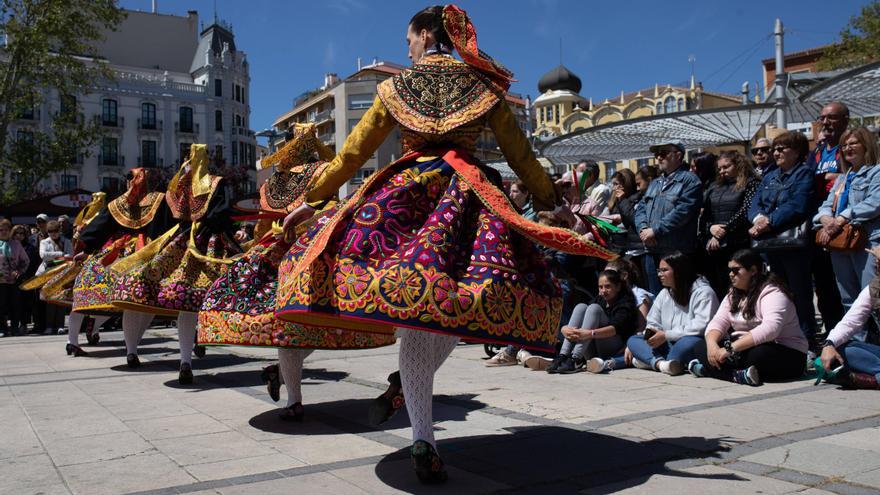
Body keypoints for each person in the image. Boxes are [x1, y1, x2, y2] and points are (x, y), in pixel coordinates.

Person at [275, 5, 615, 483]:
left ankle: (422, 435)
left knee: (419, 311)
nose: (407, 46)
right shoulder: (482, 87)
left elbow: (353, 153)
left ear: (424, 34)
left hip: (406, 199)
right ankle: (414, 412)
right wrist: (548, 200)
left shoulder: (395, 88)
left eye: (408, 38)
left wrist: (313, 198)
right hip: (467, 199)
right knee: (458, 303)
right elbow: (520, 154)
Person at [198, 124, 396, 420]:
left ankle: (290, 394)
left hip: (278, 252)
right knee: (313, 323)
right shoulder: (321, 170)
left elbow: (264, 227)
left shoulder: (273, 181)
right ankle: (289, 392)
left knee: (289, 326)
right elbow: (333, 209)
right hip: (312, 252)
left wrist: (253, 249)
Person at [111, 145, 239, 384]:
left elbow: (168, 220)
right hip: (206, 244)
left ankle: (184, 359)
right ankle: (186, 356)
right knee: (198, 301)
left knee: (184, 302)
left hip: (181, 243)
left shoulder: (177, 186)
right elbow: (222, 214)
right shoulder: (201, 184)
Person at [69, 172, 171, 357]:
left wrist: (88, 248)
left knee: (110, 298)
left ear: (127, 182)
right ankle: (131, 347)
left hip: (121, 252)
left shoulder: (118, 203)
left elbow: (101, 225)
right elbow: (167, 227)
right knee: (143, 302)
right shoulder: (158, 199)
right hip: (147, 251)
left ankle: (127, 347)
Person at [690, 249, 808, 385]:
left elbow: (771, 329)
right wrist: (712, 346)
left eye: (735, 270)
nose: (730, 274)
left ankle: (712, 371)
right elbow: (719, 321)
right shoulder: (733, 294)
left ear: (753, 270)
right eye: (729, 270)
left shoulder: (774, 292)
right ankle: (738, 375)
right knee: (700, 346)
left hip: (784, 352)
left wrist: (730, 349)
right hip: (742, 349)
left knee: (758, 355)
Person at [749, 130, 818, 341]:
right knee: (779, 293)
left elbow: (797, 205)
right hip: (769, 245)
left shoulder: (804, 174)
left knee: (800, 293)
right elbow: (755, 203)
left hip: (793, 246)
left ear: (797, 152)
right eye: (775, 149)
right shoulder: (769, 176)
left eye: (782, 148)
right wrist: (757, 219)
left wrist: (768, 222)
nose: (776, 152)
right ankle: (785, 336)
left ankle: (806, 339)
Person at [814, 127, 880, 337]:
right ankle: (860, 350)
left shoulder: (876, 171)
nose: (847, 148)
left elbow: (875, 202)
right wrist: (826, 220)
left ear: (866, 145)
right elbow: (825, 205)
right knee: (849, 300)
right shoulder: (843, 178)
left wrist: (842, 218)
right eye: (844, 145)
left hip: (868, 242)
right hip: (840, 243)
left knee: (873, 299)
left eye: (853, 143)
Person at [626, 252, 718, 375]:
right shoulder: (664, 293)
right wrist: (652, 336)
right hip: (665, 342)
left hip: (691, 341)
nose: (659, 274)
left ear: (678, 271)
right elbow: (653, 321)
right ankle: (661, 364)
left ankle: (647, 361)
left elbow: (701, 326)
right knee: (633, 340)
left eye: (664, 270)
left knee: (685, 344)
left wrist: (666, 335)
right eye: (659, 270)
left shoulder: (704, 292)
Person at [635, 140, 704, 295]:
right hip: (652, 250)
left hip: (676, 252)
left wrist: (656, 231)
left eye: (664, 153)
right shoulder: (655, 183)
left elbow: (683, 211)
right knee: (657, 297)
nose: (659, 157)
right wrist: (644, 229)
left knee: (679, 296)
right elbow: (641, 208)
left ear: (678, 155)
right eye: (657, 154)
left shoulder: (690, 181)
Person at [806, 102, 850, 333]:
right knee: (823, 287)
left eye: (831, 118)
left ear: (845, 119)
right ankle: (833, 335)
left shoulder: (849, 147)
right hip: (819, 226)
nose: (825, 123)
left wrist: (837, 176)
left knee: (847, 289)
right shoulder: (819, 151)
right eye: (822, 118)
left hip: (843, 226)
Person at [547, 269, 638, 373]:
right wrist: (565, 329)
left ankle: (576, 359)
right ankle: (563, 356)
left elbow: (614, 329)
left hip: (614, 351)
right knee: (581, 306)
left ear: (618, 287)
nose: (603, 290)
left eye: (607, 286)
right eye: (600, 287)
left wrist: (589, 334)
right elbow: (583, 318)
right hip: (593, 350)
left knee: (594, 308)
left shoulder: (625, 303)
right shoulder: (600, 299)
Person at [700, 151, 760, 297]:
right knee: (719, 286)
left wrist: (724, 229)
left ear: (738, 165)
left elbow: (746, 210)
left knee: (741, 285)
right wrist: (711, 228)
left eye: (726, 167)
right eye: (719, 168)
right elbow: (704, 214)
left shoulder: (751, 183)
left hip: (739, 242)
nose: (722, 171)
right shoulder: (714, 187)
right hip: (716, 245)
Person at [819, 246, 880, 389]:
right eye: (876, 260)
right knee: (842, 350)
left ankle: (867, 380)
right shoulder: (875, 287)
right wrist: (829, 344)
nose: (876, 264)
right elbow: (851, 321)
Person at [37, 220, 72, 335]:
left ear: (59, 231)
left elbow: (70, 255)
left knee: (61, 299)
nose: (53, 234)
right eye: (50, 231)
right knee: (49, 300)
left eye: (55, 231)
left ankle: (60, 326)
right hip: (48, 273)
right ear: (47, 232)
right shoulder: (44, 242)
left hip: (63, 273)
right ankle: (49, 326)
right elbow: (43, 256)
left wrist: (54, 257)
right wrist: (60, 254)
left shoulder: (66, 241)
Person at [0, 219, 29, 336]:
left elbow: (26, 260)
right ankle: (2, 328)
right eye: (1, 230)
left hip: (14, 280)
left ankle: (14, 328)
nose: (3, 232)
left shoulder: (16, 244)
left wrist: (19, 271)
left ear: (10, 231)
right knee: (1, 305)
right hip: (0, 280)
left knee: (15, 305)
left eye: (6, 230)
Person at [12, 224, 40, 335]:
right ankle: (13, 325)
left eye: (21, 233)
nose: (19, 236)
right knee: (13, 303)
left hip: (26, 279)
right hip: (11, 279)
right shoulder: (8, 245)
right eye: (16, 233)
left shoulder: (30, 248)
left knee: (25, 303)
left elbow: (32, 264)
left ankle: (24, 324)